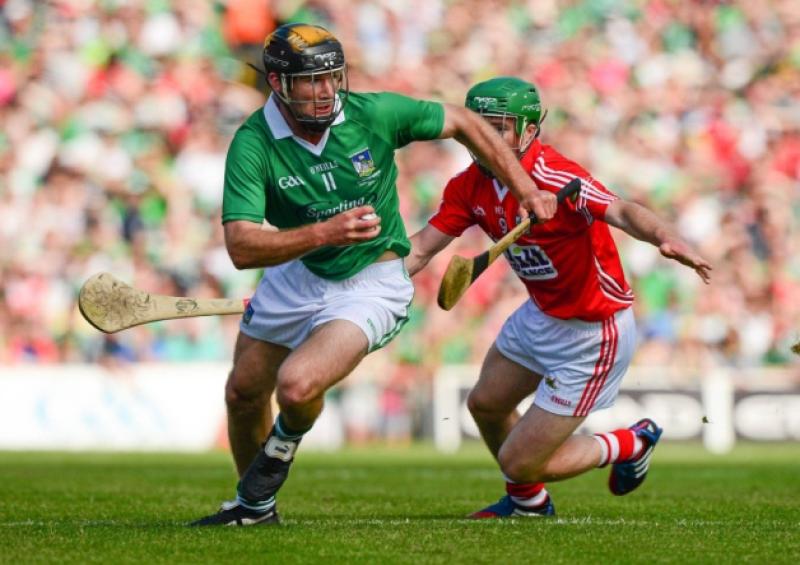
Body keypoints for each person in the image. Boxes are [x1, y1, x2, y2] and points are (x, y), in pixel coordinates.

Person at [192, 26, 558, 526]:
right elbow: (240, 246)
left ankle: (273, 462)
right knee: (242, 392)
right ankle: (255, 508)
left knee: (297, 388)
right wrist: (324, 233)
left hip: (373, 280)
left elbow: (465, 121)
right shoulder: (254, 143)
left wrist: (525, 188)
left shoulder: (372, 114)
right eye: (309, 82)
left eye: (331, 79)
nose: (325, 93)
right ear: (277, 83)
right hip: (297, 272)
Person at [407, 77, 712, 518]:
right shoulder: (467, 186)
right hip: (541, 314)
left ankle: (630, 442)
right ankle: (529, 504)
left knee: (518, 461)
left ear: (530, 129)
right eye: (479, 127)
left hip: (593, 331)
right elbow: (421, 248)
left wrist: (664, 236)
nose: (486, 139)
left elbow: (622, 210)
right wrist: (371, 287)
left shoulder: (556, 176)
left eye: (499, 127)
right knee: (485, 405)